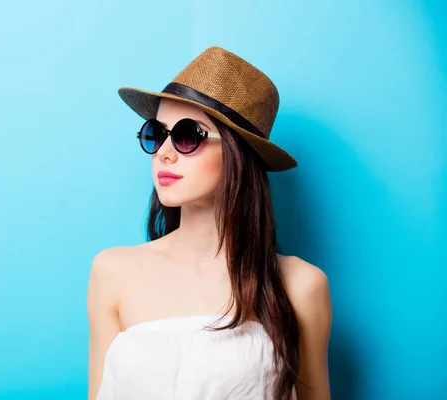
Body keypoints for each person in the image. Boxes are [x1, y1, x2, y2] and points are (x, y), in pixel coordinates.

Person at [86, 46, 332, 400]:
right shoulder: (112, 272)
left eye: (187, 135)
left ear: (238, 154)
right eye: (155, 133)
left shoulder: (301, 286)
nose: (164, 152)